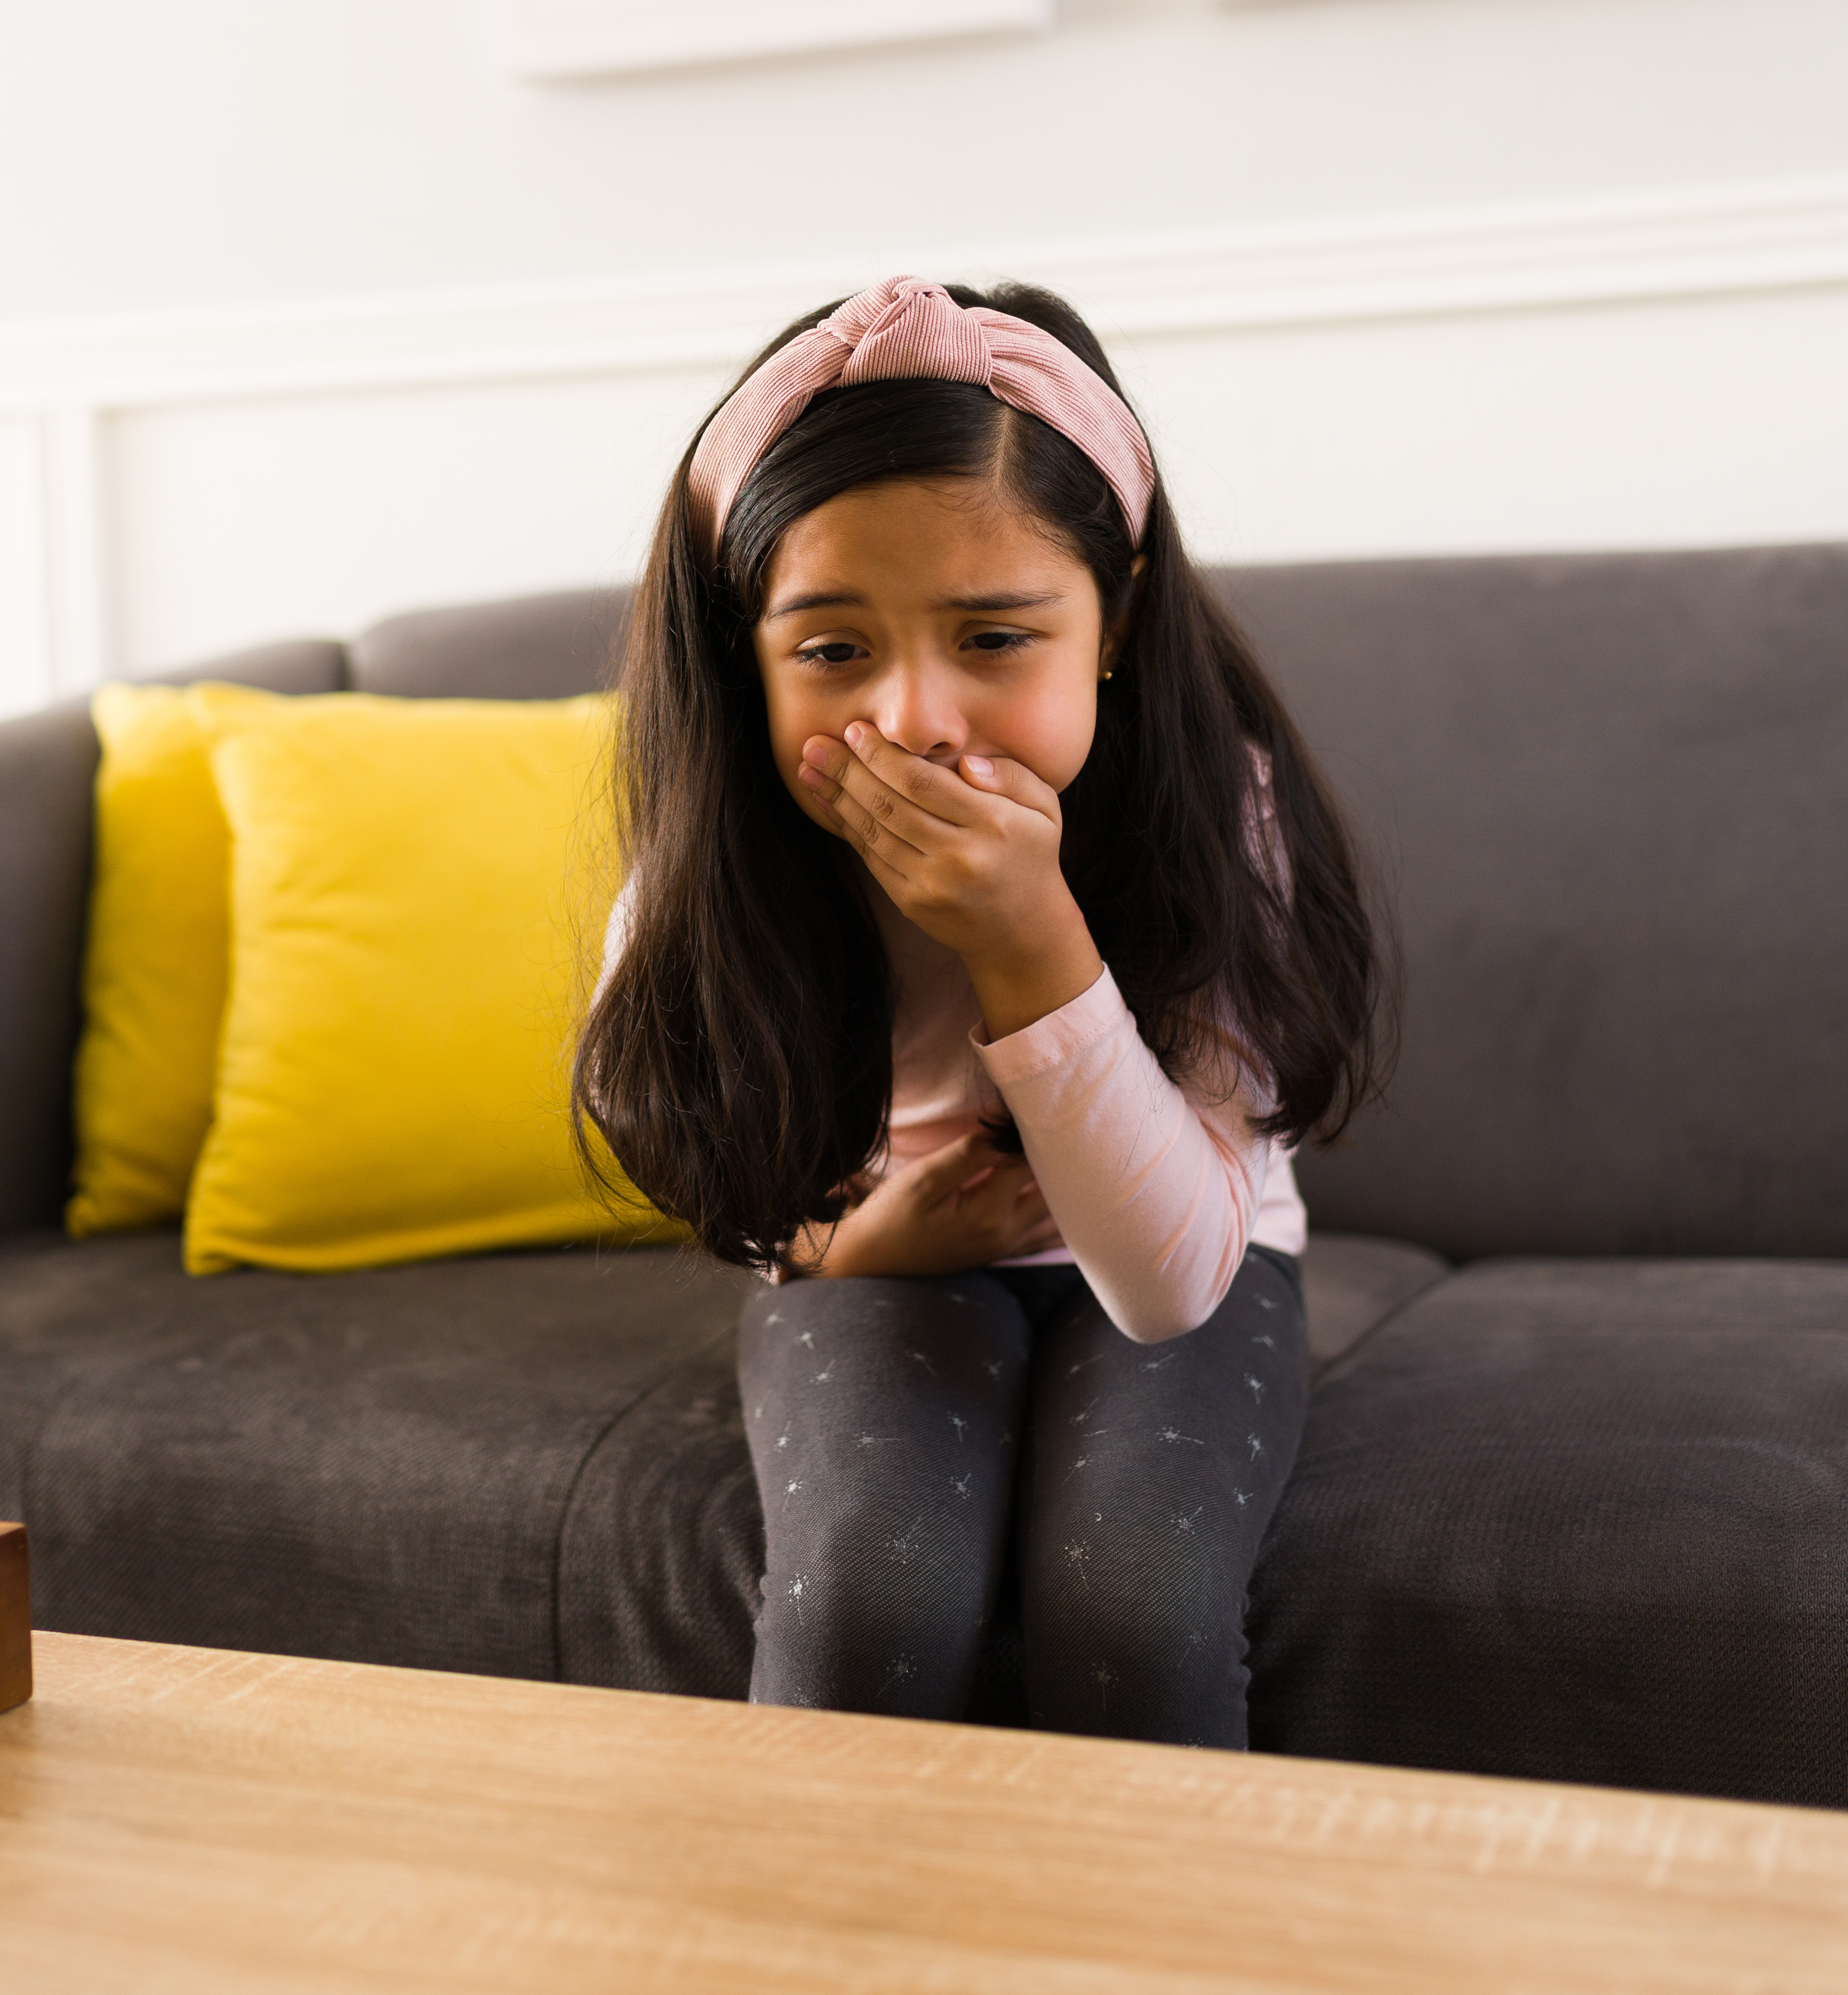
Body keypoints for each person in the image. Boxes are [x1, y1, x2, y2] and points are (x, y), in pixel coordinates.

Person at [577, 276, 1392, 1747]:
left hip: (1173, 1249)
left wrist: (1033, 938)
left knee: (1133, 1598)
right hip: (883, 1247)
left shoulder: (1221, 811)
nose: (913, 720)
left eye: (994, 638)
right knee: (870, 1596)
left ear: (1113, 619)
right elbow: (710, 1158)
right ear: (744, 650)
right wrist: (847, 1245)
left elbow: (1168, 1286)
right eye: (832, 649)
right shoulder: (716, 858)